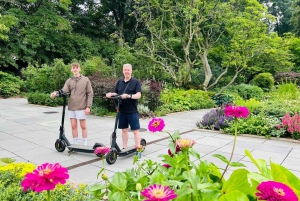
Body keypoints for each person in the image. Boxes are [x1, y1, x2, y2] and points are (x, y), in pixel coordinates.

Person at [50, 62, 93, 146]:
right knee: (73, 126)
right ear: (71, 69)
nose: (75, 69)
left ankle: (85, 144)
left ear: (79, 69)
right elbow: (63, 91)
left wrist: (88, 106)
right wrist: (55, 93)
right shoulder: (69, 81)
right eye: (73, 68)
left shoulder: (85, 80)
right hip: (71, 107)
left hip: (81, 107)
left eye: (76, 67)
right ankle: (75, 144)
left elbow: (90, 93)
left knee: (83, 126)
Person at [106, 63, 142, 149]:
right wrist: (110, 94)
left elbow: (138, 95)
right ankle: (124, 148)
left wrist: (128, 96)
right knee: (124, 130)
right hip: (122, 110)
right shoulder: (120, 82)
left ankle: (138, 148)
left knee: (135, 131)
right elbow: (117, 93)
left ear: (131, 71)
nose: (127, 71)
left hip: (132, 110)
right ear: (123, 71)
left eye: (128, 70)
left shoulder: (136, 82)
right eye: (125, 70)